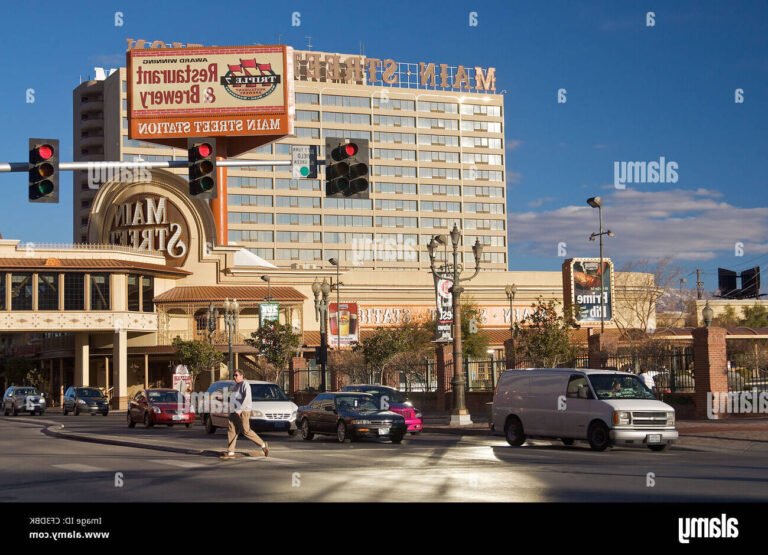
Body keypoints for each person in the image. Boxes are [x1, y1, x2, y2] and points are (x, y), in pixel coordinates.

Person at [223, 371, 269, 458]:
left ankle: (263, 444)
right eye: (233, 375)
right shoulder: (236, 386)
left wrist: (240, 409)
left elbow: (247, 398)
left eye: (236, 375)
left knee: (246, 430)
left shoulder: (245, 384)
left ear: (242, 376)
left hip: (243, 411)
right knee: (231, 429)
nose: (234, 377)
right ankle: (231, 451)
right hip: (234, 411)